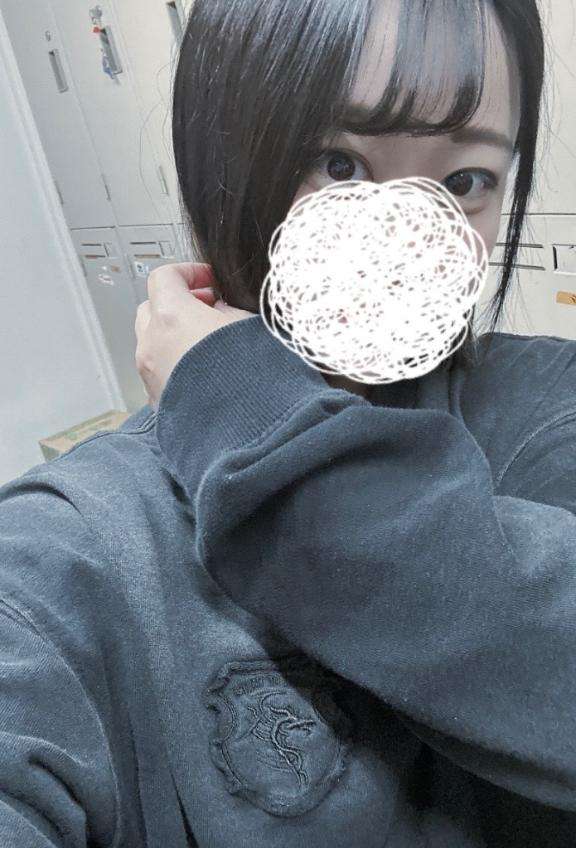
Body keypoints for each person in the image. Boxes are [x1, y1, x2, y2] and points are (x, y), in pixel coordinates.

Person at [1, 1, 575, 847]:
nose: (404, 238)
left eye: (465, 182)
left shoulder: (546, 403)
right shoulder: (68, 552)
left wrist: (242, 410)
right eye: (339, 164)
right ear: (221, 157)